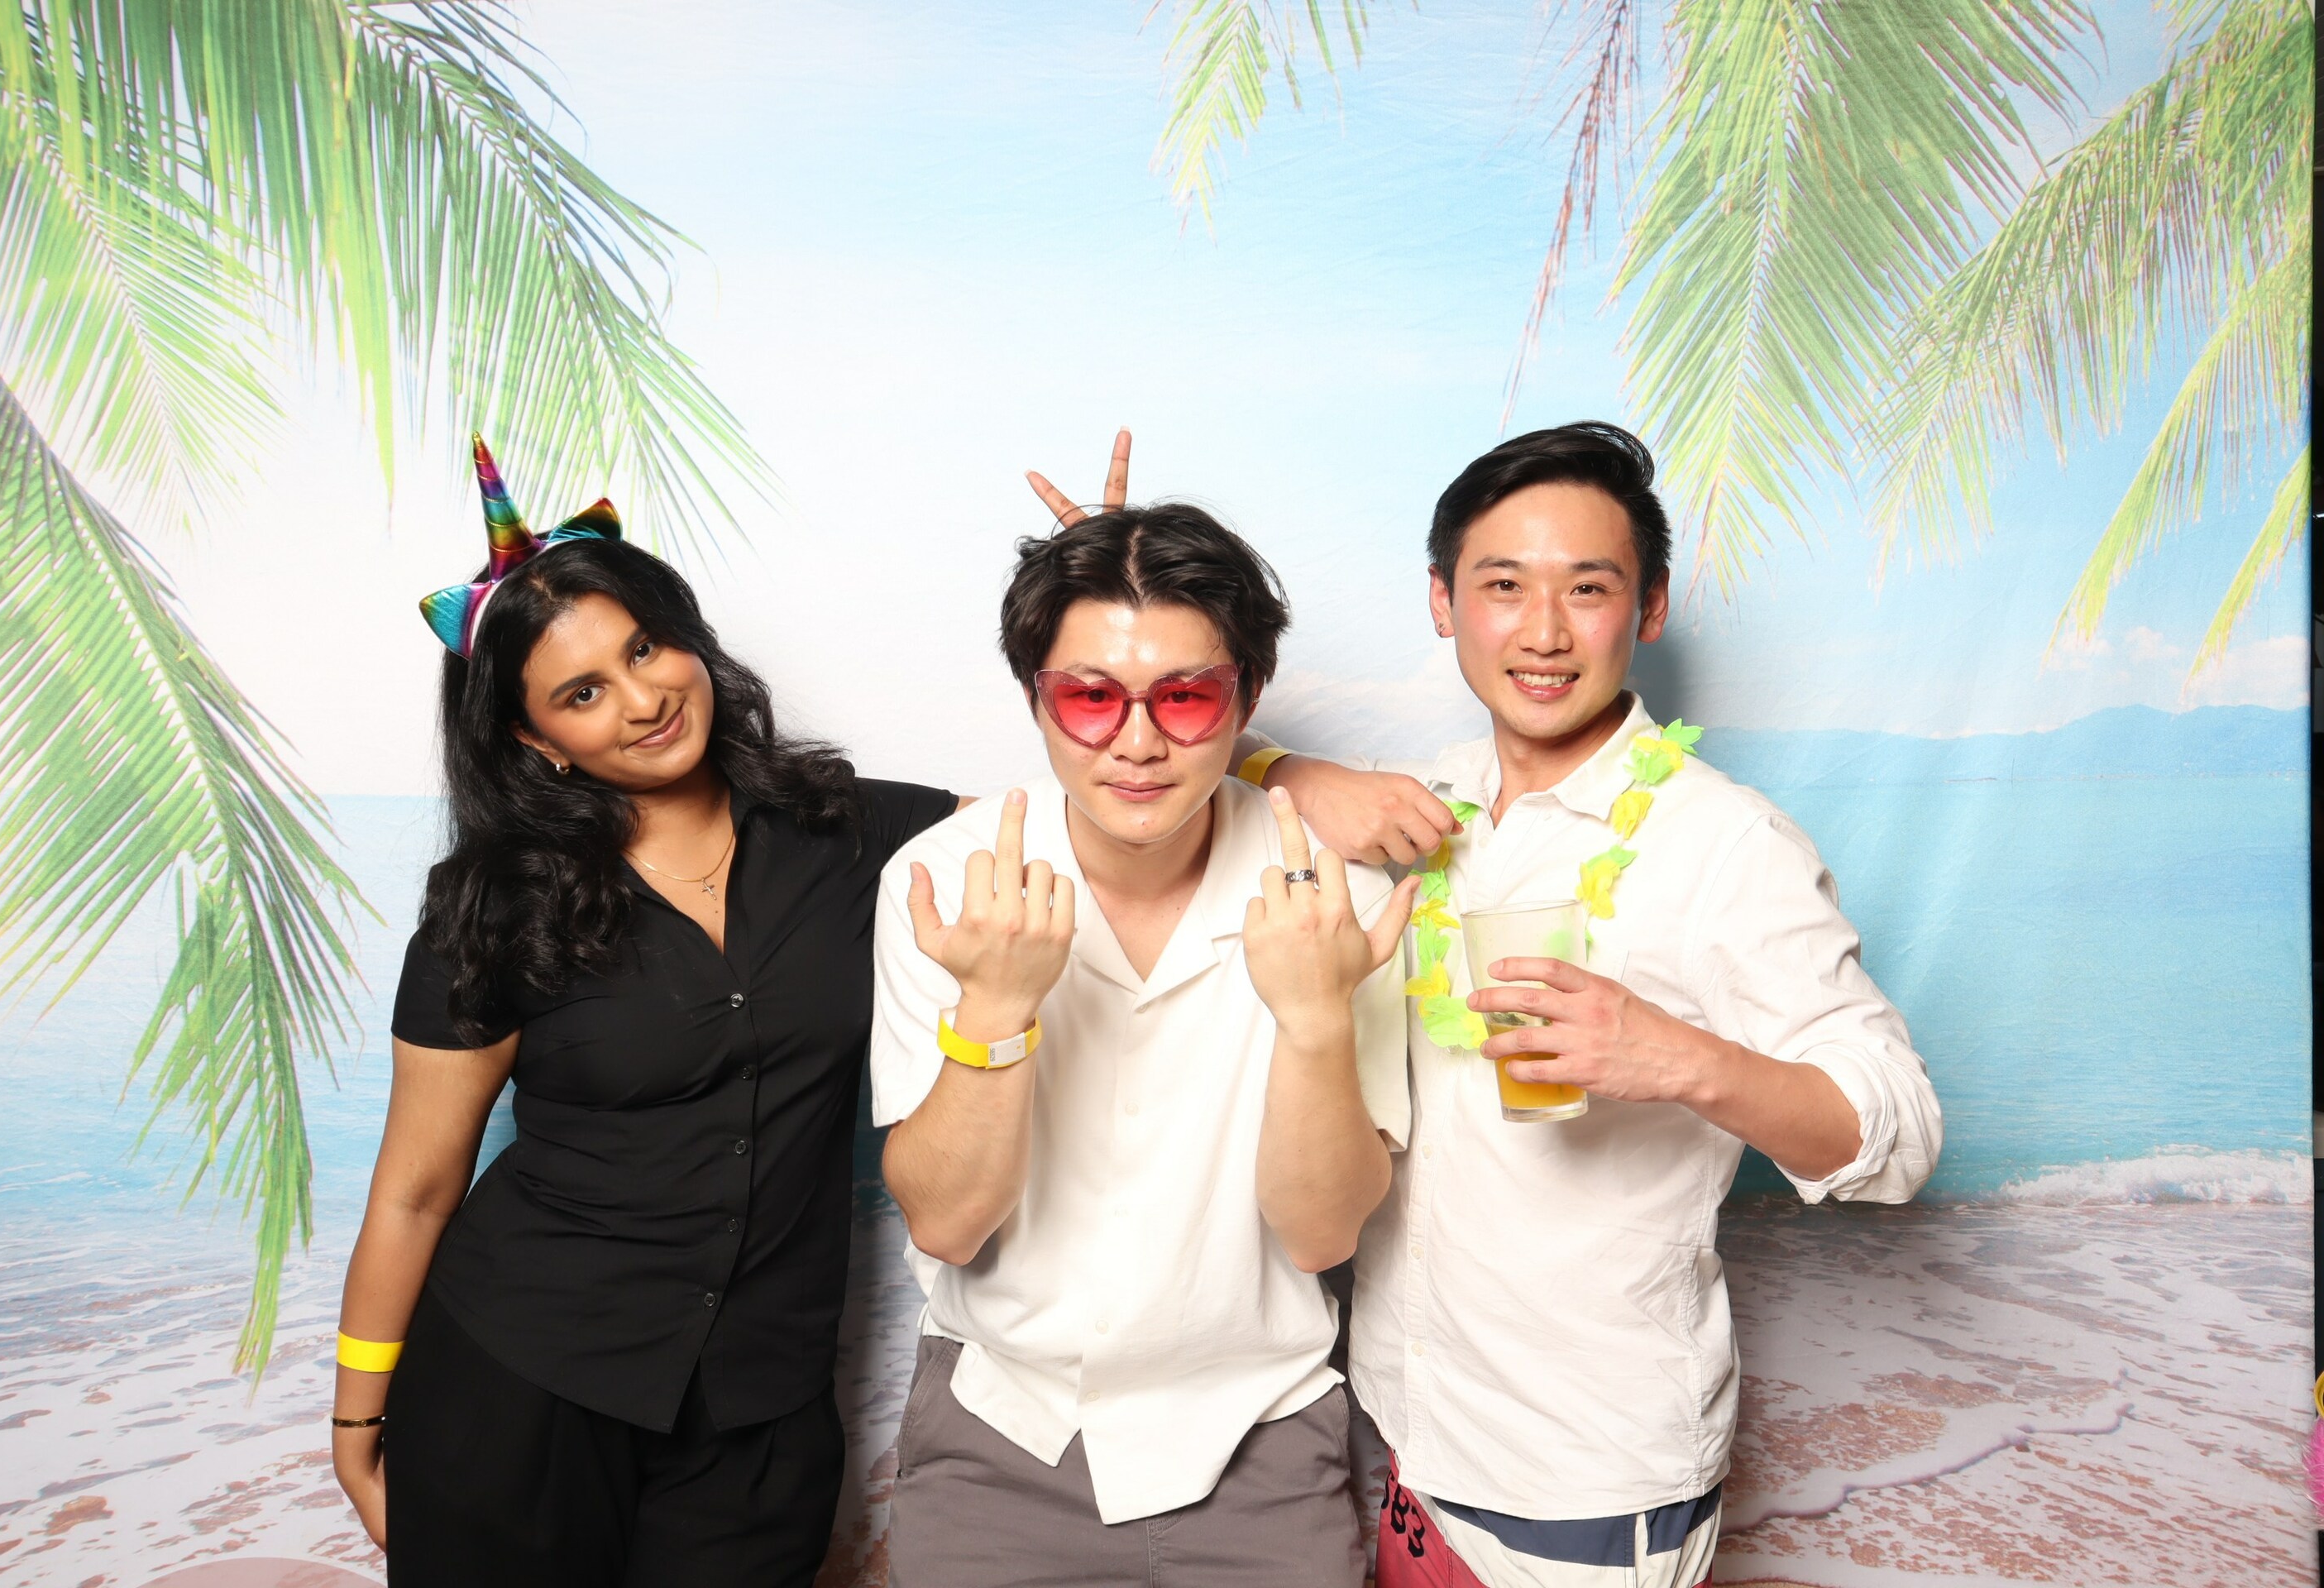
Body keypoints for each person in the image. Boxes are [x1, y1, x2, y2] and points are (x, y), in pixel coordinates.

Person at [1241, 421, 1944, 1588]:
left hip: (1587, 1486)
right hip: (1412, 1435)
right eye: (1503, 586)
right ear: (1442, 602)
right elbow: (1191, 745)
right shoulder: (1428, 808)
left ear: (1648, 607)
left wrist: (1681, 1060)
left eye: (1588, 588)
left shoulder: (1726, 844)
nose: (1544, 632)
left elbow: (1902, 1137)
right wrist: (1291, 768)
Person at [328, 439, 960, 1587]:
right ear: (535, 740)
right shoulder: (492, 907)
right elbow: (416, 1188)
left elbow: (1087, 812)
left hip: (760, 1409)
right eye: (582, 692)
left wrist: (1271, 772)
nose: (643, 699)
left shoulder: (849, 830)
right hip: (521, 1386)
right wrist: (357, 1420)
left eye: (645, 647)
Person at [870, 500, 1418, 1585]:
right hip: (1001, 1433)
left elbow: (1321, 1238)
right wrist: (995, 1011)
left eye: (1185, 696)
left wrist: (1314, 1021)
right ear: (1037, 698)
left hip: (1260, 1444)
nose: (1136, 742)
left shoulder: (1340, 902)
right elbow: (947, 1223)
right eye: (1089, 698)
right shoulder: (939, 882)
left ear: (1247, 697)